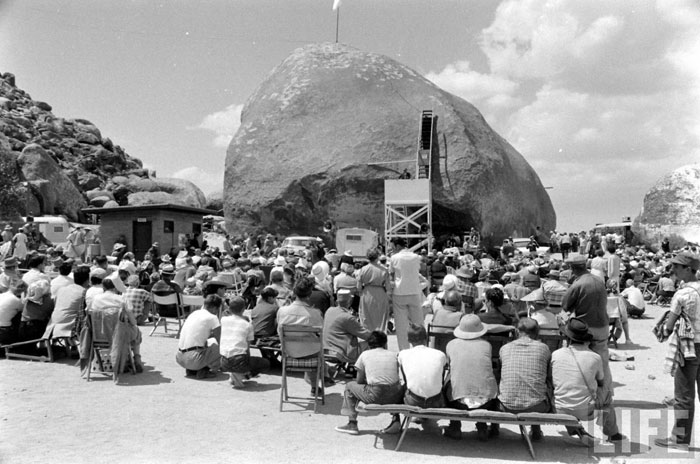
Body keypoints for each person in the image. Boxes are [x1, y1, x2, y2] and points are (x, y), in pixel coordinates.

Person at [551, 317, 623, 444]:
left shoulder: (556, 354)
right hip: (586, 411)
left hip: (558, 408)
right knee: (606, 394)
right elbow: (601, 383)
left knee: (563, 393)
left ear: (568, 338)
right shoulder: (595, 358)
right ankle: (613, 433)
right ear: (587, 340)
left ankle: (577, 430)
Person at [655, 251, 700, 450]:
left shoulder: (683, 294)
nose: (673, 270)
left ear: (688, 270)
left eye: (677, 267)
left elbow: (669, 326)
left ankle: (680, 440)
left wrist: (664, 328)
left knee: (684, 394)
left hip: (688, 348)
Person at [561, 253, 614, 404]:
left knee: (580, 362)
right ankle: (606, 396)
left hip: (586, 330)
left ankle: (580, 397)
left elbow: (565, 307)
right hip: (603, 327)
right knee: (603, 363)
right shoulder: (599, 281)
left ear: (572, 269)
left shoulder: (577, 285)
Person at [335, 331, 404, 435]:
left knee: (350, 386)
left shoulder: (365, 354)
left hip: (375, 394)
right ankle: (396, 420)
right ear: (385, 344)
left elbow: (359, 381)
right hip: (395, 396)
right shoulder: (394, 355)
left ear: (369, 344)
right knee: (396, 385)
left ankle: (352, 423)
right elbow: (395, 376)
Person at [443, 314, 499, 441]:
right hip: (487, 402)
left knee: (451, 377)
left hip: (458, 402)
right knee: (482, 377)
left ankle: (455, 427)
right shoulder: (486, 345)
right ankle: (482, 427)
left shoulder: (451, 344)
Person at [499, 318, 552, 441]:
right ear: (537, 332)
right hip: (538, 406)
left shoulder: (505, 348)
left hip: (506, 406)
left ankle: (494, 428)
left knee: (502, 379)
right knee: (542, 382)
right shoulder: (544, 348)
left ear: (517, 331)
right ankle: (536, 429)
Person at [277, 277, 328, 389]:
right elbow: (320, 335)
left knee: (311, 347)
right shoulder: (315, 314)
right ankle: (315, 385)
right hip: (310, 354)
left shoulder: (282, 311)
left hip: (289, 353)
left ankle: (316, 382)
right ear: (309, 294)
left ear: (294, 292)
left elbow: (280, 333)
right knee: (316, 348)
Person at [89, 279, 143, 373]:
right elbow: (133, 322)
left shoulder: (95, 299)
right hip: (119, 336)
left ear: (103, 287)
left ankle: (125, 360)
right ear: (115, 287)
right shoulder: (122, 299)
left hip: (99, 336)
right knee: (136, 330)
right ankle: (136, 359)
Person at [220, 296, 270, 388]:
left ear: (229, 308)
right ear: (243, 309)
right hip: (238, 360)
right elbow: (247, 348)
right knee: (265, 363)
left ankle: (235, 374)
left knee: (237, 359)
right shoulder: (247, 325)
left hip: (223, 361)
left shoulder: (223, 320)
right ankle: (241, 375)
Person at [388, 237, 426, 350]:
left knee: (401, 325)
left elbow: (391, 275)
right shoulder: (416, 257)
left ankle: (404, 350)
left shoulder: (394, 258)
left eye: (392, 246)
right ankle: (421, 347)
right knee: (418, 322)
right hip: (414, 291)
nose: (391, 249)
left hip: (399, 292)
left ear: (397, 246)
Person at [176, 294, 222, 379]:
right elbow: (221, 340)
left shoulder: (194, 313)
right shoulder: (213, 317)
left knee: (205, 343)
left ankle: (192, 369)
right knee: (219, 348)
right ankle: (205, 370)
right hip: (193, 359)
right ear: (215, 308)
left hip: (179, 358)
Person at [323, 289, 371, 365]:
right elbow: (366, 335)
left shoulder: (329, 311)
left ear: (337, 301)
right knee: (372, 342)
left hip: (325, 349)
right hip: (341, 352)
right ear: (350, 301)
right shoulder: (347, 317)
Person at [356, 248, 391, 332]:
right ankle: (381, 338)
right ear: (377, 257)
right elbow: (388, 287)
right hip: (380, 293)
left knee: (366, 318)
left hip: (367, 293)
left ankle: (368, 339)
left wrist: (361, 292)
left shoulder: (363, 269)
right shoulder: (384, 270)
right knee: (381, 319)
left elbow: (358, 287)